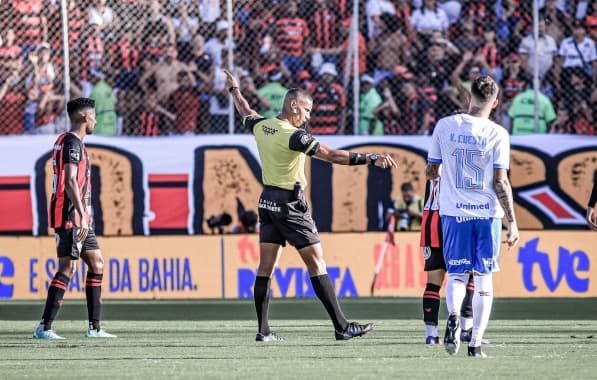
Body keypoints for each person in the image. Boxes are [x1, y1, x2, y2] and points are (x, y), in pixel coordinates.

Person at [223, 68, 397, 341]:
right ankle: (342, 327)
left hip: (267, 201)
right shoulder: (294, 136)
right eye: (306, 110)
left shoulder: (262, 126)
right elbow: (332, 155)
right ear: (293, 106)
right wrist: (370, 157)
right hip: (291, 204)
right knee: (317, 263)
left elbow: (245, 109)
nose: (308, 116)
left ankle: (264, 331)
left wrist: (234, 89)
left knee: (265, 268)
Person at [426, 76, 519, 357]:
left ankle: (453, 316)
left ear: (469, 97)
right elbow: (501, 181)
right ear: (495, 102)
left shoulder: (445, 125)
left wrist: (446, 180)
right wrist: (512, 222)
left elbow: (432, 170)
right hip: (487, 214)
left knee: (455, 274)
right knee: (483, 280)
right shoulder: (498, 133)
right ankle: (475, 343)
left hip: (454, 213)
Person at [33, 98, 116, 340]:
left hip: (80, 217)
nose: (96, 120)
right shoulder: (72, 143)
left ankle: (95, 328)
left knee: (97, 263)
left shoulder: (70, 141)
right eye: (94, 116)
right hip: (70, 214)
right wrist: (82, 212)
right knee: (67, 268)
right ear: (84, 118)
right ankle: (44, 327)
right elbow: (69, 181)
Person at [420, 177, 488, 346]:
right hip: (455, 221)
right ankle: (465, 329)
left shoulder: (434, 165)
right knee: (469, 273)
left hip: (431, 224)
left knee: (434, 282)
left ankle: (431, 335)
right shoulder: (458, 167)